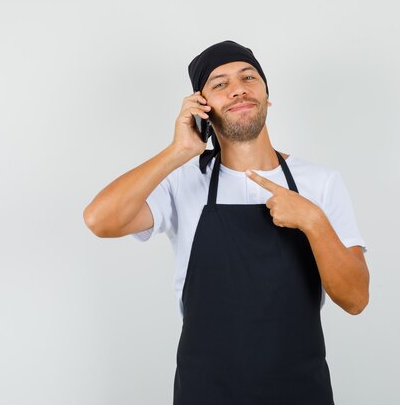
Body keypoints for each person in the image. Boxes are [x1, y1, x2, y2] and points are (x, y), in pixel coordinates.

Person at [83, 40, 370, 404]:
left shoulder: (320, 182)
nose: (238, 88)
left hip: (300, 391)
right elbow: (99, 220)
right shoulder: (182, 181)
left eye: (249, 77)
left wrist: (313, 221)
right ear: (201, 107)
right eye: (220, 84)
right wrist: (178, 151)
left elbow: (356, 299)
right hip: (206, 392)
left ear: (267, 96)